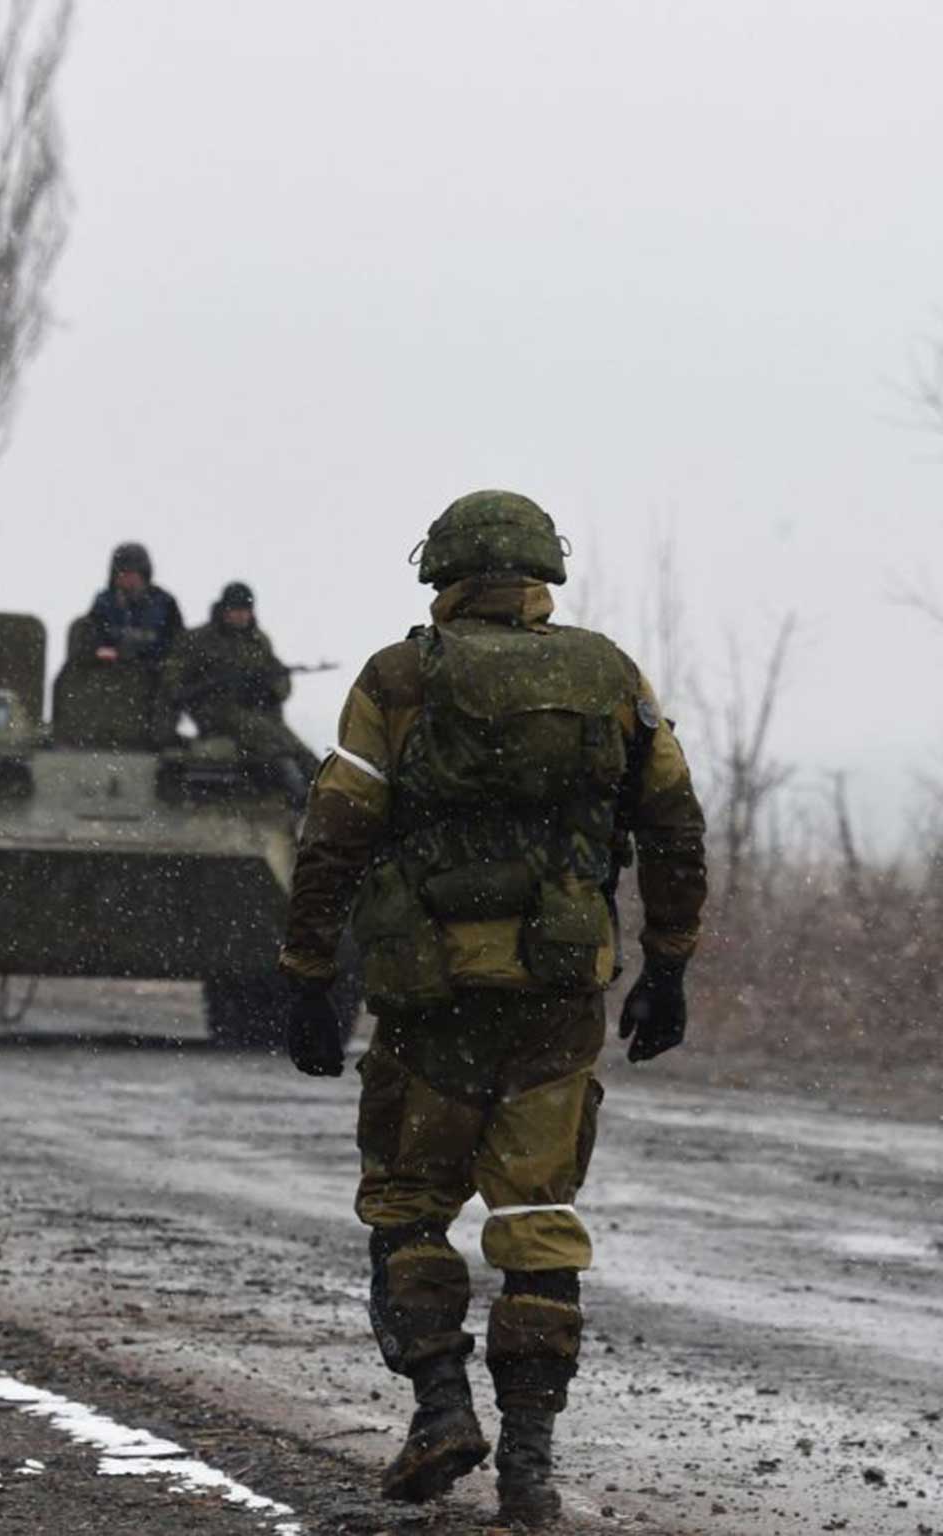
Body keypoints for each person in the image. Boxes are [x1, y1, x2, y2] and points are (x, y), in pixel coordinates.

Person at [274, 491, 707, 1526]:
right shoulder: (609, 677)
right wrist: (669, 963)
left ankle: (437, 1409)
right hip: (556, 995)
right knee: (536, 1222)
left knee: (406, 1205)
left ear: (443, 572)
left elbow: (334, 830)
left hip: (429, 999)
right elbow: (671, 824)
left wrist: (303, 968)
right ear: (539, 573)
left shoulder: (398, 677)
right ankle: (526, 1467)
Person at [164, 581, 318, 791]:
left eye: (245, 610)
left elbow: (279, 676)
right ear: (224, 609)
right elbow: (173, 681)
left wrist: (268, 690)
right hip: (215, 712)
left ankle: (323, 785)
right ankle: (296, 787)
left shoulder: (257, 641)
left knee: (293, 744)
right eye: (235, 610)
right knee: (273, 742)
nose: (240, 615)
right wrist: (211, 687)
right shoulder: (199, 640)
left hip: (253, 711)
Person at [85, 542, 184, 664]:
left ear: (143, 574)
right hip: (111, 672)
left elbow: (175, 641)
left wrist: (136, 650)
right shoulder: (105, 602)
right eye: (122, 572)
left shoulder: (163, 602)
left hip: (154, 672)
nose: (126, 578)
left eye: (131, 572)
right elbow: (94, 636)